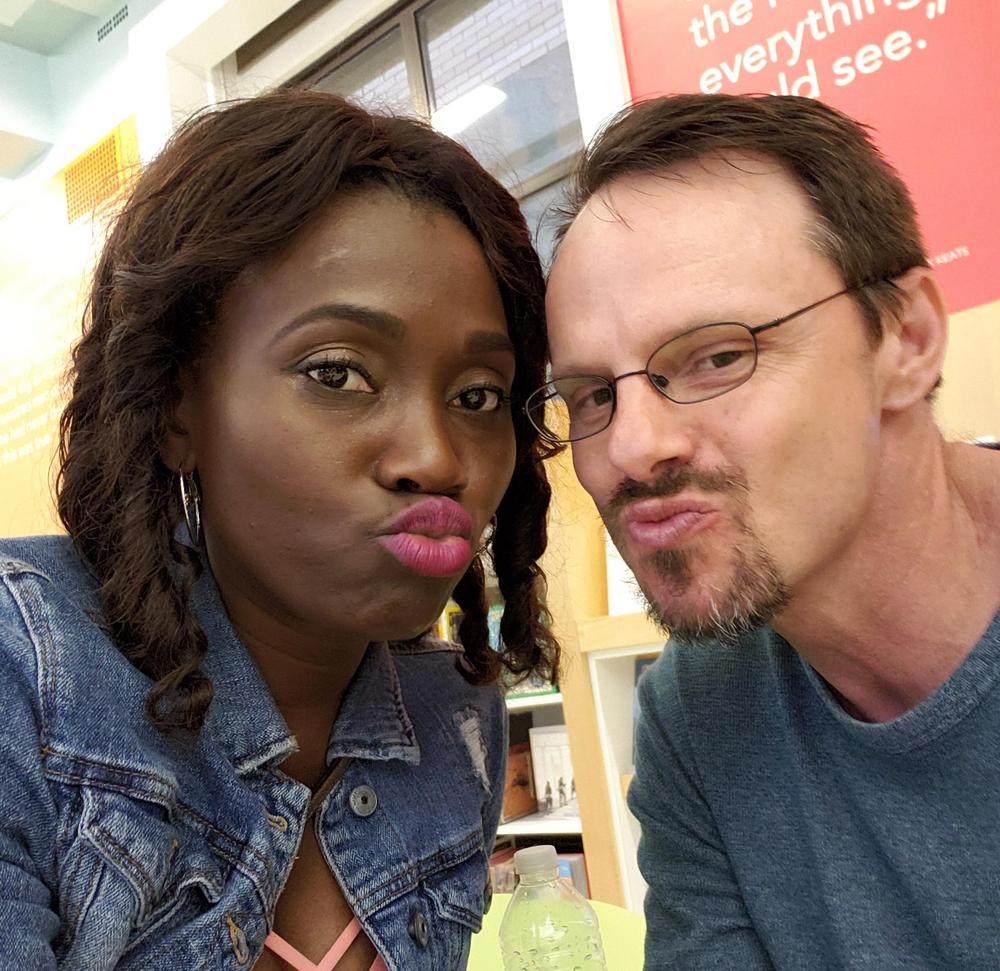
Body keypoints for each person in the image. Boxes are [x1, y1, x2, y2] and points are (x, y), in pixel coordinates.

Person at [0, 89, 560, 971]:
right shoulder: (26, 672)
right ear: (175, 406)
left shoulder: (456, 715)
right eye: (337, 373)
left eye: (478, 395)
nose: (436, 456)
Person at [528, 93, 1000, 969]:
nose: (630, 447)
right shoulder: (698, 710)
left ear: (907, 339)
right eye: (592, 395)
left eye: (717, 356)